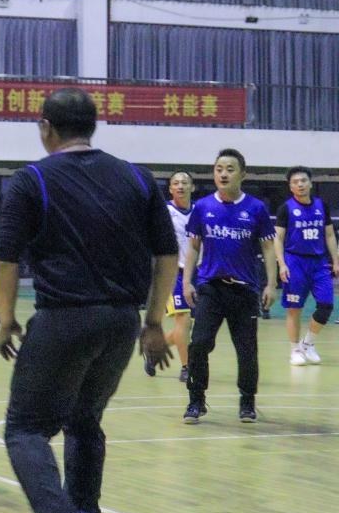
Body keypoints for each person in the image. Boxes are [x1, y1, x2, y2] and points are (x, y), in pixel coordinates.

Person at [0, 88, 178, 513]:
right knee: (84, 420)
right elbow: (167, 255)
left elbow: (5, 259)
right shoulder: (137, 178)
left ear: (46, 127)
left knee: (25, 429)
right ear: (93, 127)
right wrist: (153, 322)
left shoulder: (32, 179)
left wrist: (6, 319)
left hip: (64, 318)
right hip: (121, 323)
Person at [182, 148, 276, 425]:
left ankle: (247, 401)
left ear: (242, 174)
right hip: (210, 288)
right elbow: (193, 246)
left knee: (247, 350)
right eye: (219, 169)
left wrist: (271, 284)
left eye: (230, 169)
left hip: (244, 290)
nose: (223, 174)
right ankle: (196, 400)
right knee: (199, 344)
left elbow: (268, 247)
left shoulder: (256, 208)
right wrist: (187, 281)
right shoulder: (202, 207)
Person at [275, 166, 339, 365]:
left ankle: (308, 343)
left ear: (310, 183)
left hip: (319, 263)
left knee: (326, 305)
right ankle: (295, 349)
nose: (300, 184)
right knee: (294, 308)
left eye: (303, 180)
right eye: (295, 182)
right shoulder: (286, 208)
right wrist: (282, 264)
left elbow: (329, 234)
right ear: (290, 187)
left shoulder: (321, 205)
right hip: (295, 262)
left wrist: (336, 259)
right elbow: (278, 239)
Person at [144, 170, 196, 382]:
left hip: (198, 273)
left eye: (185, 182)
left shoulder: (200, 211)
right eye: (176, 183)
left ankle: (153, 350)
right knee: (183, 320)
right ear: (171, 189)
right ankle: (186, 368)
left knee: (189, 329)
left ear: (192, 187)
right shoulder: (164, 212)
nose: (181, 186)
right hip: (174, 273)